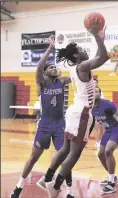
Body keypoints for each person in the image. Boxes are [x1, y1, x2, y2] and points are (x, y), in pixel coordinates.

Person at [37, 21, 109, 197]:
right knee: (75, 153)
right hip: (82, 112)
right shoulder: (82, 66)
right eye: (82, 50)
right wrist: (94, 35)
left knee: (65, 150)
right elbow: (103, 58)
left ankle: (46, 178)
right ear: (77, 55)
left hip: (74, 111)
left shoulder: (76, 67)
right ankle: (56, 185)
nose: (86, 51)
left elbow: (99, 55)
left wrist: (101, 38)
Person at [11, 35, 74, 198]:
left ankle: (70, 191)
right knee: (33, 158)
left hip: (60, 125)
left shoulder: (62, 81)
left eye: (55, 66)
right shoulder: (42, 83)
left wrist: (72, 56)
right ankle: (18, 187)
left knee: (65, 157)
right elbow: (39, 67)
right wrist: (50, 48)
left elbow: (77, 73)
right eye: (51, 67)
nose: (54, 68)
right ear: (45, 73)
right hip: (45, 125)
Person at [92, 87, 118, 194]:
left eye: (97, 91)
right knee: (100, 154)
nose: (95, 93)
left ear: (100, 94)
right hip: (108, 130)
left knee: (108, 151)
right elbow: (95, 123)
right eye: (93, 91)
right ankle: (112, 176)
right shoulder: (90, 106)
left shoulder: (107, 104)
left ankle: (111, 183)